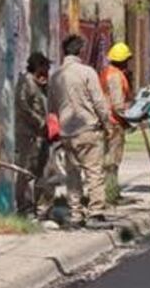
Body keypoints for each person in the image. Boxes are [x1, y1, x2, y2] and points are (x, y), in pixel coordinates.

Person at [48, 34, 113, 227]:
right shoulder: (87, 72)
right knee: (94, 172)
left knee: (73, 174)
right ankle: (95, 213)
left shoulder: (56, 76)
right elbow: (99, 102)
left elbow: (51, 106)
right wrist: (107, 124)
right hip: (88, 129)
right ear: (81, 52)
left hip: (68, 132)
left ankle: (75, 213)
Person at [15, 52, 54, 220]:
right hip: (29, 135)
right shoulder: (26, 83)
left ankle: (41, 208)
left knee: (42, 172)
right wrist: (40, 122)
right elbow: (23, 106)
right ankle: (25, 207)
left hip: (42, 135)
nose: (47, 71)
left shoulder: (40, 85)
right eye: (44, 67)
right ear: (37, 67)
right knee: (26, 171)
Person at [99, 42, 133, 204]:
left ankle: (108, 193)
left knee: (107, 160)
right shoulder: (115, 76)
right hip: (113, 123)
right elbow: (118, 105)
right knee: (112, 161)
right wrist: (131, 117)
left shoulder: (107, 72)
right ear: (123, 60)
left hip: (107, 121)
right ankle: (111, 195)